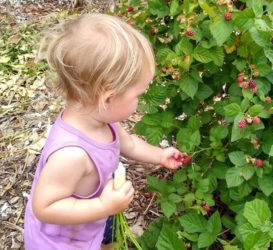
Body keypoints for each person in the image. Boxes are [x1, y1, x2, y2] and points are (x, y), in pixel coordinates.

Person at [24, 13, 183, 249]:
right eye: (138, 94)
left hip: (95, 213)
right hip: (62, 242)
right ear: (108, 98)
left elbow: (129, 145)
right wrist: (104, 207)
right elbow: (45, 207)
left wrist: (159, 156)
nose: (141, 100)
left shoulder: (102, 120)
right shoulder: (71, 154)